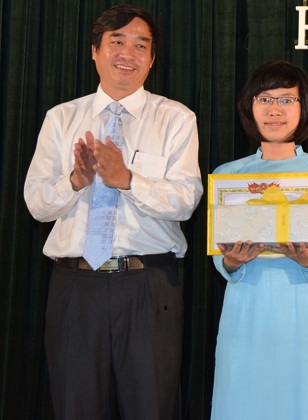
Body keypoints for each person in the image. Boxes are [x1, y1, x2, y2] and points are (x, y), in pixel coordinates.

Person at [24, 5, 203, 419]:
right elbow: (35, 203)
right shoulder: (61, 118)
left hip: (148, 285)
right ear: (94, 51)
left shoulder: (176, 119)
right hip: (75, 287)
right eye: (117, 42)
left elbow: (186, 200)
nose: (128, 53)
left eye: (141, 45)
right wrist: (74, 181)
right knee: (75, 406)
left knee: (151, 408)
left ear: (152, 58)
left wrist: (128, 179)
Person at [210, 60, 308, 420]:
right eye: (265, 99)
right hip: (245, 302)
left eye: (287, 100)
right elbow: (219, 253)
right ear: (249, 107)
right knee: (239, 400)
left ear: (304, 108)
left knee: (302, 402)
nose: (275, 109)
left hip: (303, 302)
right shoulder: (228, 176)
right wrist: (231, 263)